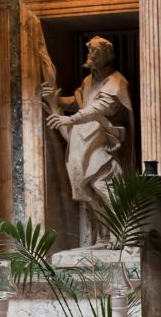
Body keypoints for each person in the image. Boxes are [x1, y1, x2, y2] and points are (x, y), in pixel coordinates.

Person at [41, 36, 132, 246]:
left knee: (104, 184)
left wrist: (69, 119)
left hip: (104, 141)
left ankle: (123, 235)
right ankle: (105, 235)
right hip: (84, 140)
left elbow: (99, 108)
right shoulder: (89, 80)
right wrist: (55, 100)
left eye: (96, 52)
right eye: (89, 51)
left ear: (108, 56)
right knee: (91, 189)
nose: (91, 55)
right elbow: (79, 102)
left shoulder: (116, 81)